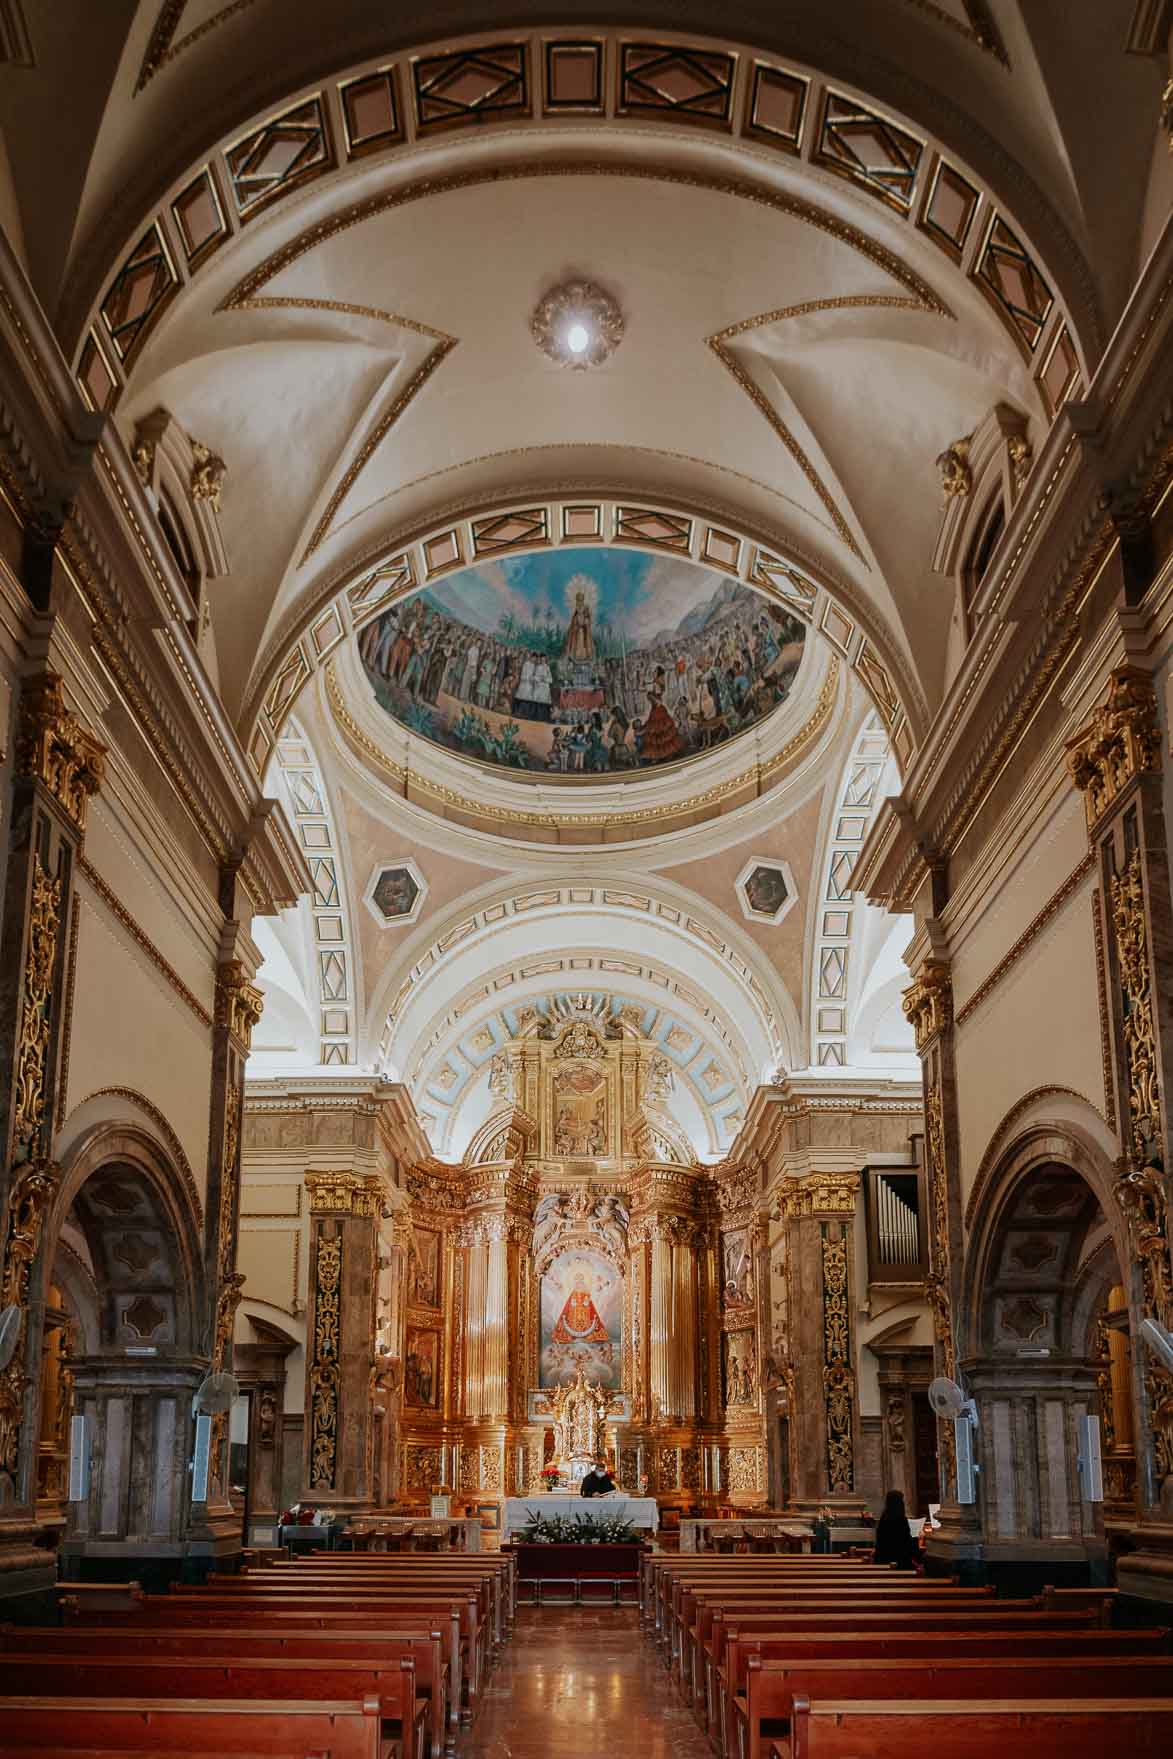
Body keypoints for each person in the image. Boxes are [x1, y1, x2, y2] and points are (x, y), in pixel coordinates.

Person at [873, 1488, 918, 1569]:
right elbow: (905, 1541)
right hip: (900, 1561)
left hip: (882, 1561)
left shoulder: (884, 1517)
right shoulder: (901, 1519)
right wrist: (916, 1539)